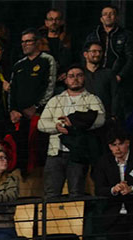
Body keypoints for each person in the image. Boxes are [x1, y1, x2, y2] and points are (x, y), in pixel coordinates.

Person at [38, 66, 107, 200]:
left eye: (79, 75)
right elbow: (41, 124)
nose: (75, 79)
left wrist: (74, 123)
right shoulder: (55, 100)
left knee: (76, 194)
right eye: (71, 76)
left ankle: (77, 221)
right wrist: (57, 127)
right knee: (51, 194)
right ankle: (52, 221)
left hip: (78, 152)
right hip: (55, 152)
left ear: (84, 77)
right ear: (66, 80)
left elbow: (100, 119)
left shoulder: (92, 99)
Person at [7, 29, 57, 172]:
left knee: (38, 150)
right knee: (21, 151)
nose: (25, 44)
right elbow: (12, 90)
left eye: (28, 41)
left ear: (37, 43)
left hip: (40, 114)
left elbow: (50, 86)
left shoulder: (47, 60)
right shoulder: (18, 65)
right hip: (19, 115)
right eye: (23, 42)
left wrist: (36, 107)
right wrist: (12, 110)